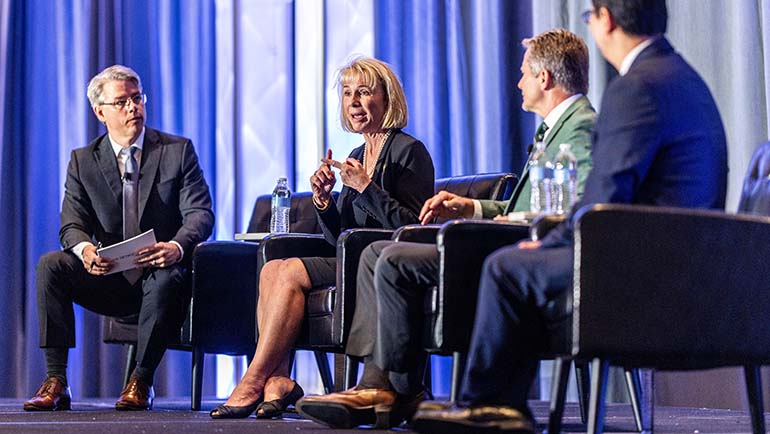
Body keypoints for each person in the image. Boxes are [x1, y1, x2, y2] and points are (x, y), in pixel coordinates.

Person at [412, 1, 729, 433]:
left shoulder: (635, 87)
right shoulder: (687, 80)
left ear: (606, 19)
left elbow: (605, 195)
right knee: (519, 261)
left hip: (641, 269)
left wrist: (550, 243)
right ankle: (499, 409)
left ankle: (489, 406)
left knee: (507, 267)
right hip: (689, 267)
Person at [295, 29, 596, 429]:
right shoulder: (553, 129)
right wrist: (471, 205)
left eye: (524, 73)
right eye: (347, 94)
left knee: (388, 254)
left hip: (523, 250)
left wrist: (523, 225)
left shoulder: (577, 127)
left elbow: (575, 207)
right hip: (503, 238)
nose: (518, 82)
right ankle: (380, 385)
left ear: (544, 79)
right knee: (372, 254)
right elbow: (527, 205)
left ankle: (396, 389)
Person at [209, 57, 435, 420]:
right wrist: (324, 201)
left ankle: (253, 378)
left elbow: (411, 227)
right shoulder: (358, 154)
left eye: (363, 92)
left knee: (287, 271)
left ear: (387, 98)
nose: (354, 102)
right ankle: (279, 380)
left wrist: (365, 187)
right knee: (273, 268)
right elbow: (338, 236)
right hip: (351, 258)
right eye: (347, 94)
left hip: (382, 265)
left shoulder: (409, 152)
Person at [24, 65, 214, 412]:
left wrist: (175, 247)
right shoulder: (83, 161)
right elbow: (71, 225)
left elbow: (201, 214)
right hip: (109, 275)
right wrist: (85, 251)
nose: (133, 108)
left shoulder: (177, 150)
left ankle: (140, 381)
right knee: (51, 265)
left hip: (162, 275)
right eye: (122, 102)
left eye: (137, 99)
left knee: (167, 275)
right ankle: (56, 380)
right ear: (101, 112)